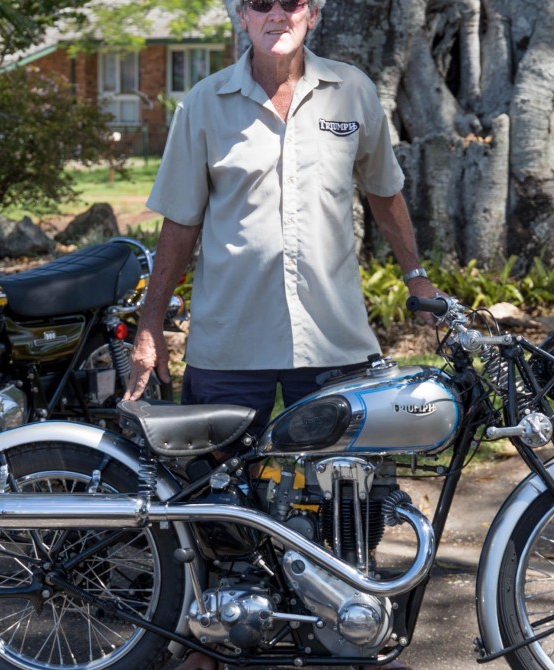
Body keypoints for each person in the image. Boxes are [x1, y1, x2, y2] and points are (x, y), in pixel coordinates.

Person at [124, 0, 430, 663]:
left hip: (334, 342)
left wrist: (417, 279)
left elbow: (385, 193)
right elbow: (178, 228)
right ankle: (211, 635)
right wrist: (150, 329)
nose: (275, 14)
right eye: (259, 2)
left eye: (289, 1)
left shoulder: (352, 93)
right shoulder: (204, 105)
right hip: (231, 342)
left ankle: (340, 624)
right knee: (216, 505)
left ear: (312, 12)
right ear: (240, 15)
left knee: (350, 497)